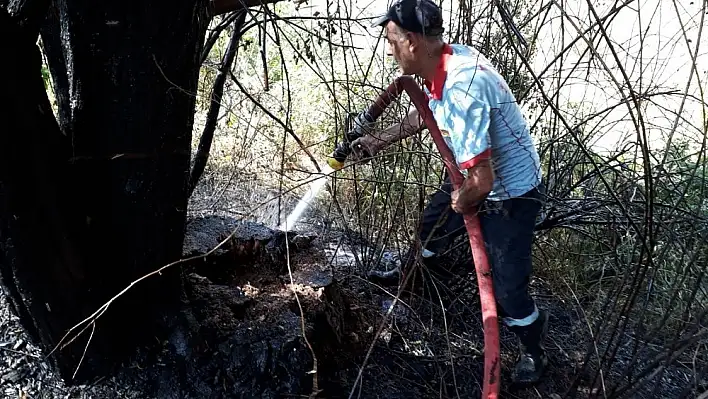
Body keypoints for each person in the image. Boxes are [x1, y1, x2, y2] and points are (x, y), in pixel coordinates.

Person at [349, 0, 549, 385]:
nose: (389, 50)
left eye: (391, 41)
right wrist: (380, 139)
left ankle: (533, 351)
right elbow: (430, 111)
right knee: (430, 228)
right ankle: (413, 276)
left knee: (508, 289)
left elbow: (483, 182)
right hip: (470, 172)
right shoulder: (445, 60)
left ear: (411, 42)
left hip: (508, 194)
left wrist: (462, 202)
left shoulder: (463, 86)